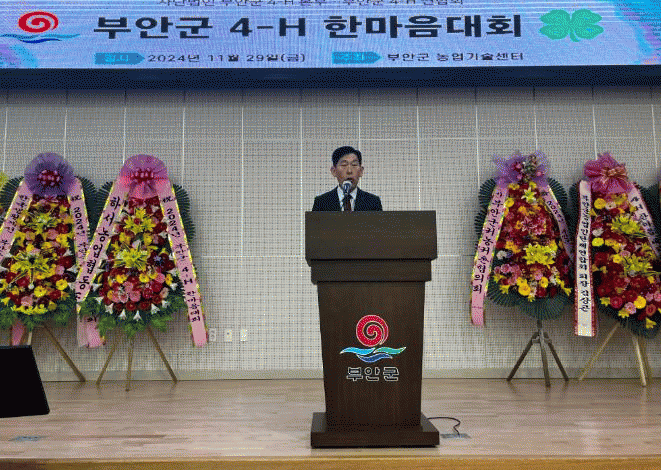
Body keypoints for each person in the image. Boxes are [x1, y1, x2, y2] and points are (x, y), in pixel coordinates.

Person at [312, 146, 382, 211]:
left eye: (354, 165)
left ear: (361, 171)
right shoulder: (321, 202)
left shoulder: (373, 202)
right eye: (344, 165)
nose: (349, 171)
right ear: (334, 171)